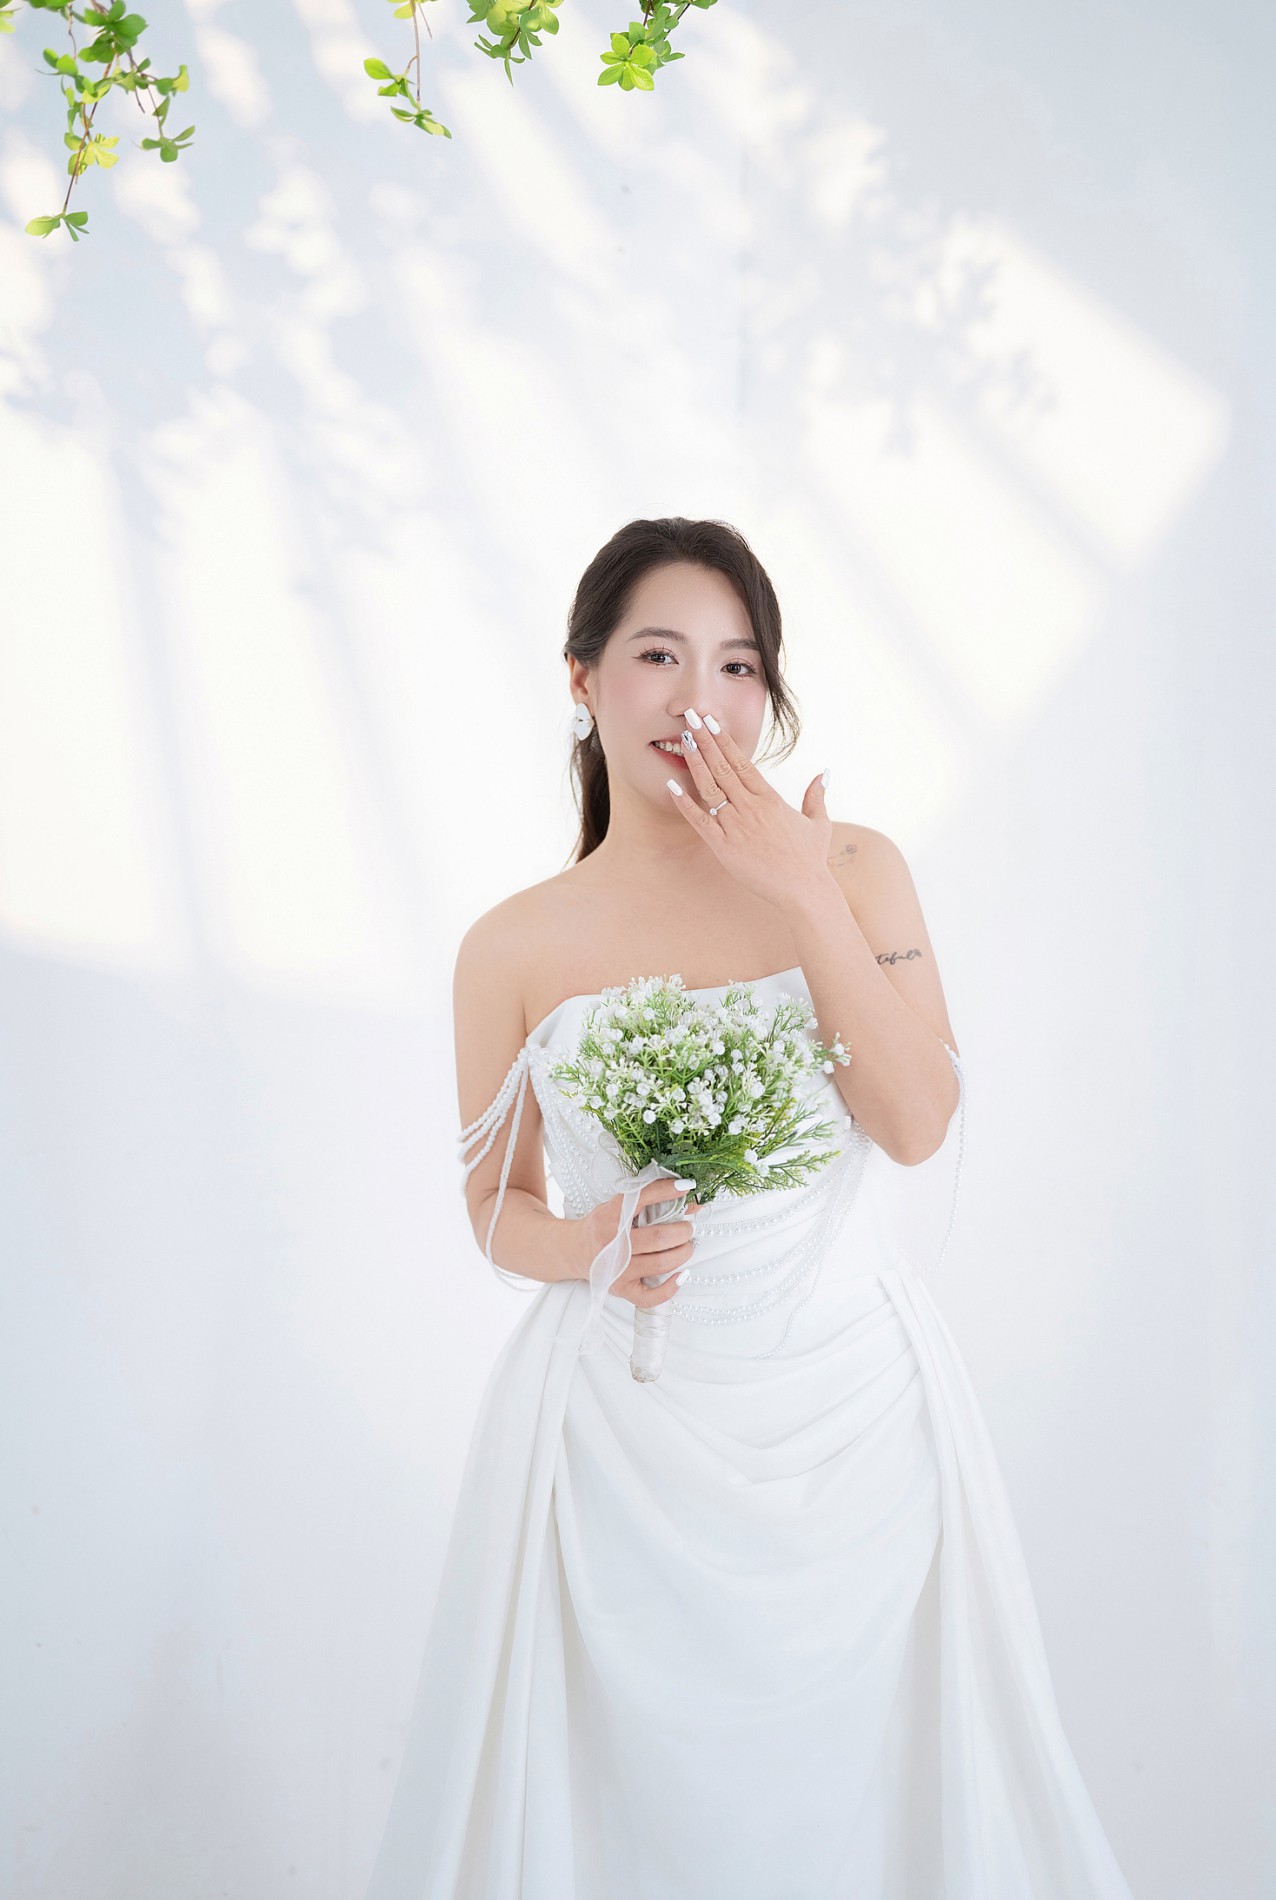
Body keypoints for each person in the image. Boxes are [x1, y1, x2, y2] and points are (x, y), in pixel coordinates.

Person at [363, 517, 1136, 1899]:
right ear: (583, 677)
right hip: (618, 1445)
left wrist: (799, 890)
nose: (699, 699)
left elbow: (917, 1123)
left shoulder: (858, 868)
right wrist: (593, 1247)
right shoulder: (512, 944)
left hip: (857, 1431)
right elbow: (495, 1205)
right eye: (660, 655)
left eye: (736, 665)